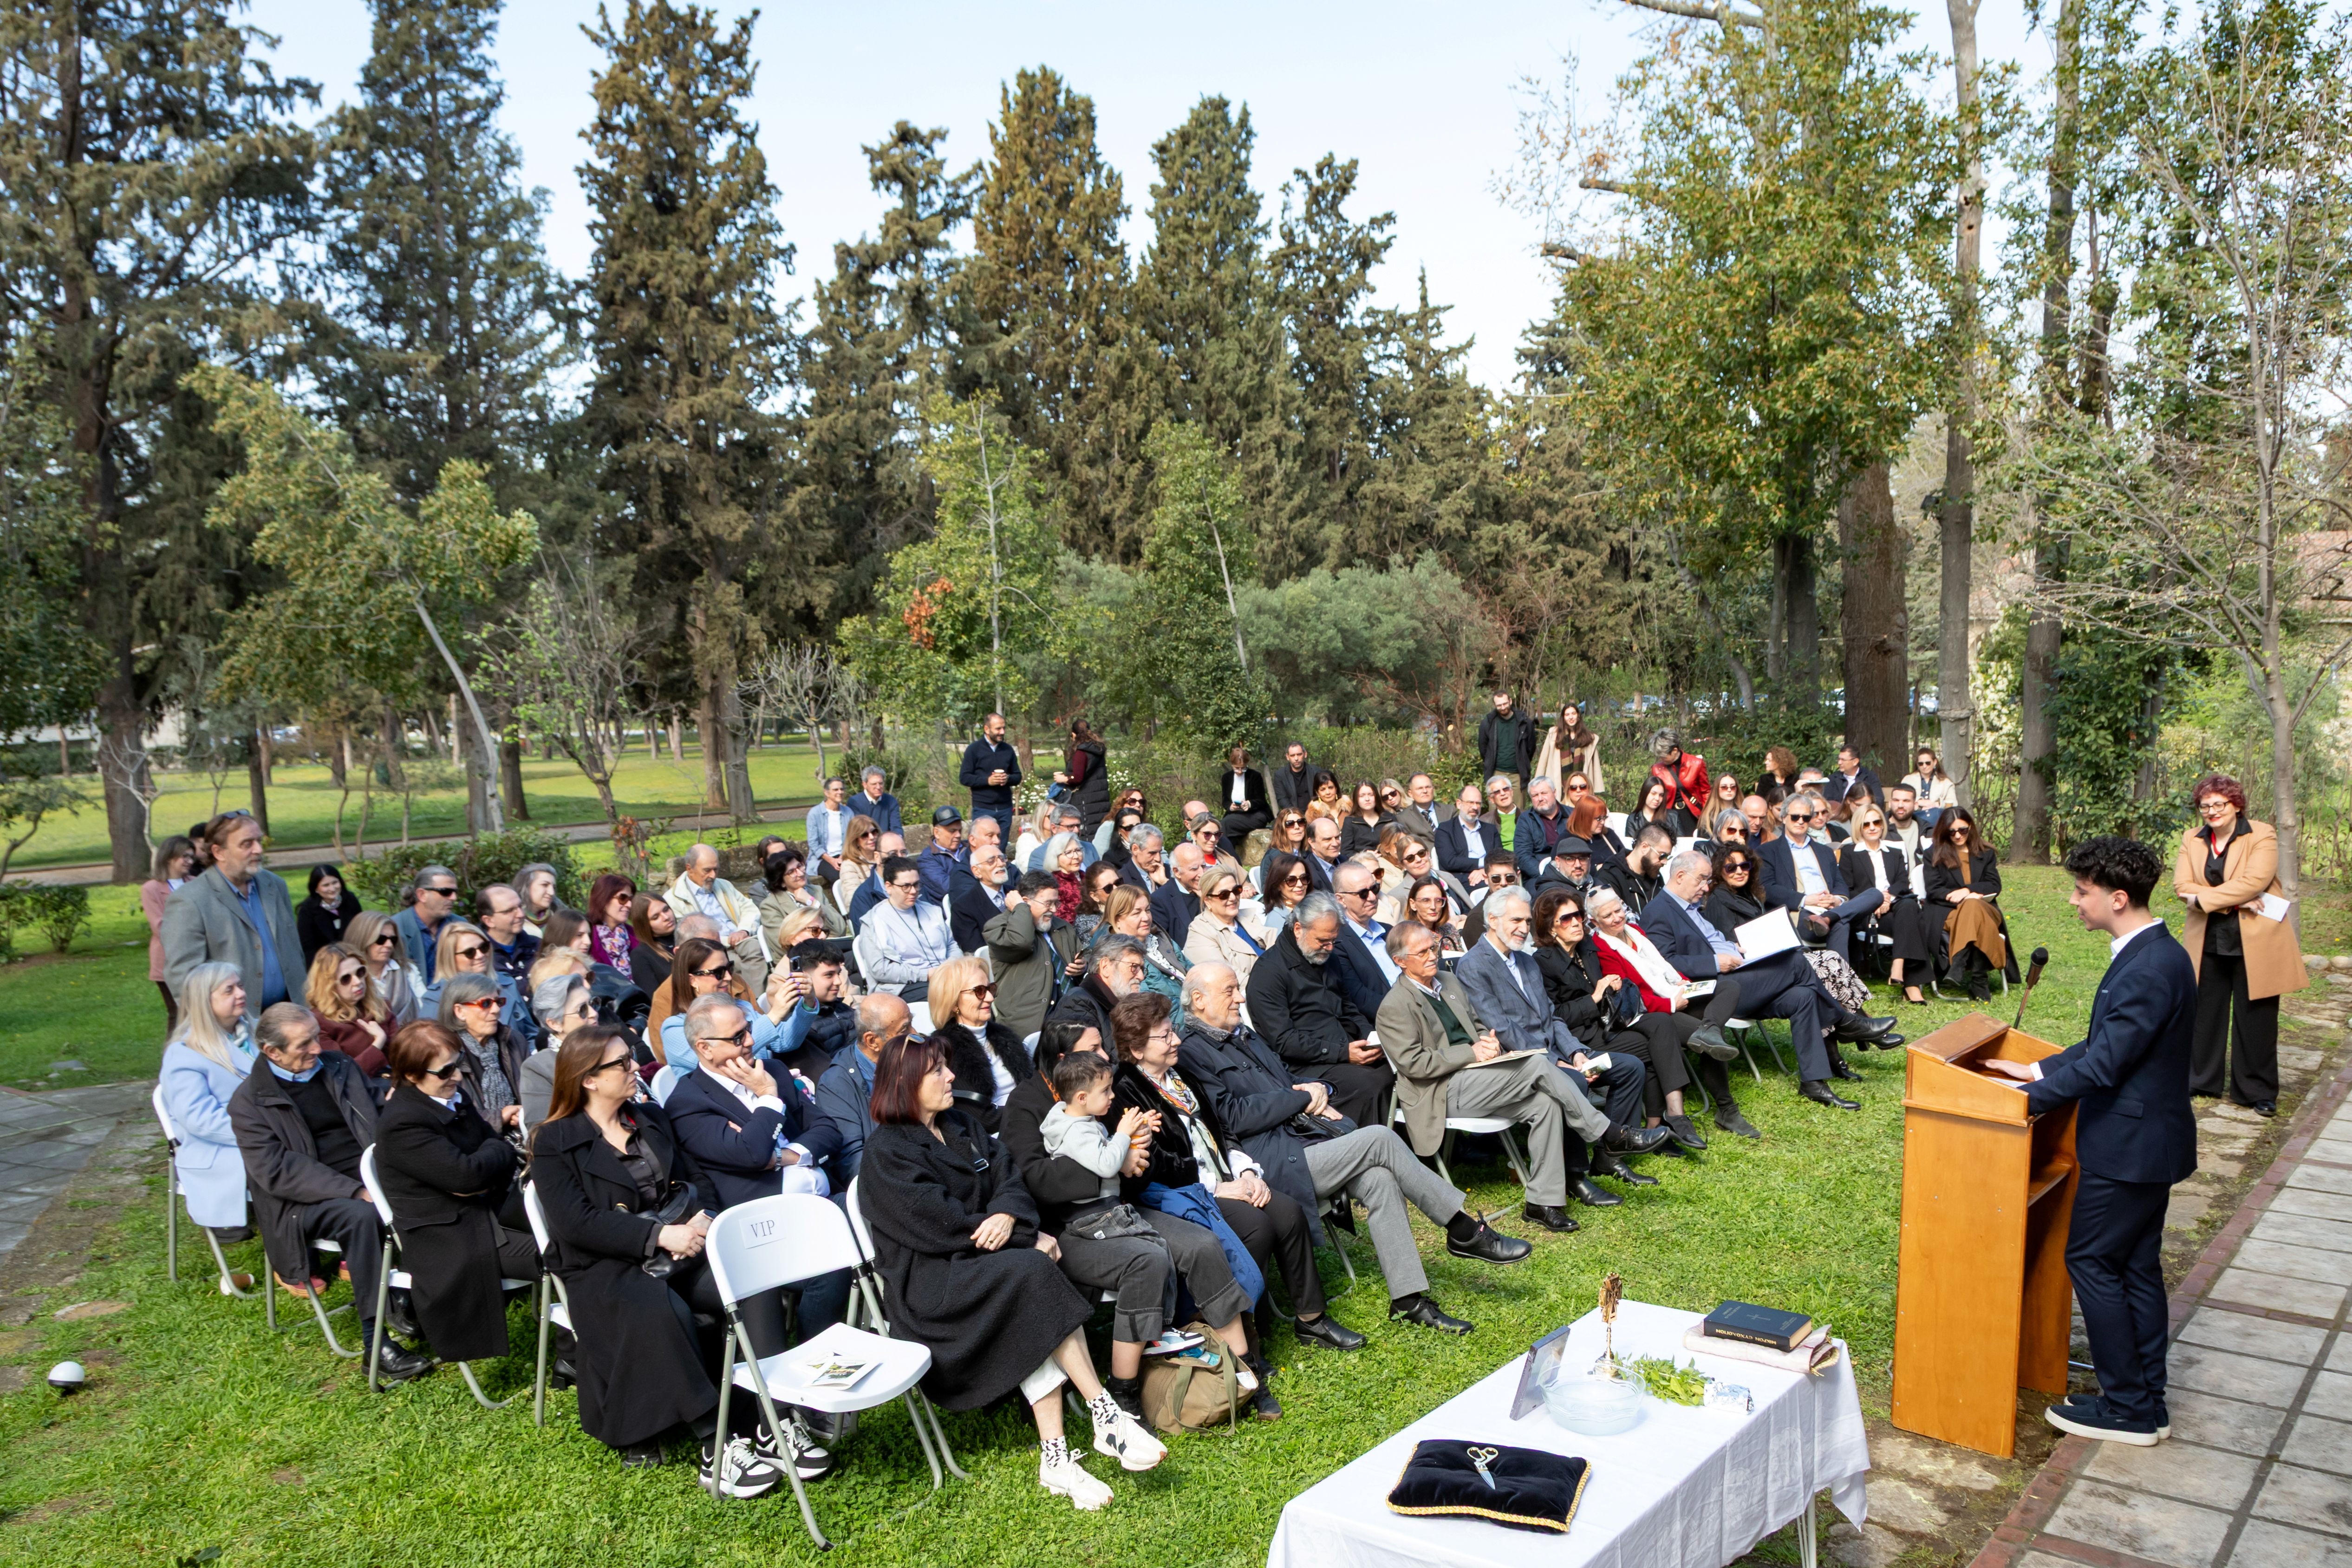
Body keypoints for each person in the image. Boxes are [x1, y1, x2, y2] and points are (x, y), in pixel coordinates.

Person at [860, 1031, 1166, 1509]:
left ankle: (1058, 1457)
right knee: (1031, 1272)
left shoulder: (960, 1123)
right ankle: (1103, 1411)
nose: (951, 1075)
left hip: (987, 1263)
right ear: (904, 1082)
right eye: (937, 1070)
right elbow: (937, 1224)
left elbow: (1011, 1178)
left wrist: (1010, 1218)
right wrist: (1021, 1232)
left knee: (1028, 1286)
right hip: (934, 1284)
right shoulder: (886, 1153)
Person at [529, 1027, 823, 1491]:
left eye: (630, 1058)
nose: (635, 1069)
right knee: (657, 1303)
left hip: (683, 1246)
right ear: (588, 1078)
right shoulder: (553, 1141)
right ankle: (716, 1442)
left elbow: (695, 1177)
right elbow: (575, 1223)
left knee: (750, 1282)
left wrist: (704, 1217)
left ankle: (772, 1416)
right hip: (605, 1266)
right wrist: (659, 1233)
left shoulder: (648, 1117)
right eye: (621, 1064)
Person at [1978, 838, 2196, 1445]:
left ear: (2117, 898)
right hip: (2146, 1141)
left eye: (2082, 891)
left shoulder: (2150, 966)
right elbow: (2105, 1045)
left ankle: (2127, 1406)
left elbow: (2106, 1067)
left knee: (2094, 1262)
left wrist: (2018, 1103)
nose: (2074, 901)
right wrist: (2035, 1072)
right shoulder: (2153, 953)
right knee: (2133, 1266)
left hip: (2130, 1148)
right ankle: (2147, 1398)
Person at [1183, 961, 1525, 1330]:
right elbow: (1231, 1117)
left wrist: (1321, 1089)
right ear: (1199, 1000)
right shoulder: (1192, 1053)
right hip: (1271, 1160)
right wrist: (1299, 1098)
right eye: (1230, 990)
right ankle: (1463, 1229)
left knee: (1379, 1177)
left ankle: (1408, 1300)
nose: (1240, 997)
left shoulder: (1242, 1035)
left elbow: (1289, 1078)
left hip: (1303, 1138)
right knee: (1379, 1138)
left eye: (1238, 988)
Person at [1009, 1035, 1266, 1418]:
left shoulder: (1100, 1095)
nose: (1107, 1056)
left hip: (1124, 1206)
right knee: (1146, 1259)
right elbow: (1036, 1178)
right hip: (1074, 1225)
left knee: (1201, 1244)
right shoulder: (1027, 1106)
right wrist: (1121, 1155)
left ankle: (1248, 1367)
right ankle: (1125, 1393)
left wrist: (1139, 1143)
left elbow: (1131, 1165)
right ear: (1068, 1058)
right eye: (1095, 1048)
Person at [1110, 993, 1355, 1353]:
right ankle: (1244, 1339)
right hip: (1179, 1194)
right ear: (1135, 1048)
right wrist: (1217, 1186)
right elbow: (1155, 1164)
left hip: (1227, 1177)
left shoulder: (1181, 1074)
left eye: (1172, 1032)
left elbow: (1223, 1128)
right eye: (1164, 1037)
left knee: (1287, 1212)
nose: (1176, 1040)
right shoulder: (1126, 1093)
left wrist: (1246, 1171)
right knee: (1254, 1226)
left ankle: (1312, 1319)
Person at [1383, 917, 1643, 1228]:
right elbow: (1413, 1063)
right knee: (1535, 1063)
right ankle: (1609, 1133)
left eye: (1434, 946)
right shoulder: (1394, 1005)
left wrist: (1487, 1042)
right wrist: (1470, 1052)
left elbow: (1476, 1025)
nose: (1432, 955)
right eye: (1422, 952)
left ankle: (1541, 1203)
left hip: (1480, 1077)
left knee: (1544, 1104)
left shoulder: (1447, 982)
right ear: (1400, 961)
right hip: (1441, 1090)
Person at [228, 1002, 429, 1384]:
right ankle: (377, 1345)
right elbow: (278, 1172)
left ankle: (416, 1299)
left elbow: (377, 1115)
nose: (317, 1050)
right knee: (362, 1216)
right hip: (301, 1203)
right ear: (272, 1052)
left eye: (316, 1038)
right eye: (303, 1045)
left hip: (370, 1176)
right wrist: (355, 1189)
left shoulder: (340, 1067)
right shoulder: (249, 1103)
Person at [1640, 850, 1898, 1110]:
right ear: (1681, 876)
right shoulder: (1658, 911)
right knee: (1797, 962)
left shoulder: (1692, 906)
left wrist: (1733, 947)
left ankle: (1814, 1082)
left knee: (1803, 996)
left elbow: (1708, 941)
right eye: (1702, 879)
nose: (1707, 887)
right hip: (1717, 992)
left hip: (1738, 973)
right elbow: (1666, 963)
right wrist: (1715, 962)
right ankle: (1845, 1022)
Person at [371, 1019, 543, 1372]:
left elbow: (492, 1152)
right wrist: (484, 1163)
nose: (458, 1076)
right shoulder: (403, 1122)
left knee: (569, 1227)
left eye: (458, 1063)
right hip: (452, 1235)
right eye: (446, 1070)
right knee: (558, 1251)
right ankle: (573, 1354)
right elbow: (468, 1175)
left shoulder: (452, 1097)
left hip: (489, 1209)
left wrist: (484, 1163)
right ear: (413, 1075)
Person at [1573, 887, 1756, 1139]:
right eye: (1608, 916)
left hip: (1673, 994)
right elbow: (1628, 996)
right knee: (1706, 1039)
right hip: (1652, 1011)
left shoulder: (1634, 931)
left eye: (1619, 910)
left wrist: (1683, 983)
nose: (1617, 918)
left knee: (1729, 987)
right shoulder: (1602, 949)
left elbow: (1662, 967)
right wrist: (1669, 1005)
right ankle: (1727, 1109)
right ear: (1594, 922)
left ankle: (1710, 1028)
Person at [2175, 775, 2303, 1117]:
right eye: (2205, 806)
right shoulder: (2192, 838)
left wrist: (2206, 898)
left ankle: (2256, 1090)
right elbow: (2181, 885)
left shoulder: (2260, 833)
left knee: (2256, 1017)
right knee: (2204, 1013)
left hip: (2256, 938)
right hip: (2208, 937)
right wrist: (2236, 901)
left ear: (2235, 805)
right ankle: (2200, 1080)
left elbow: (2255, 881)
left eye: (2219, 804)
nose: (2211, 811)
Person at [1245, 894, 1394, 1129]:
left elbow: (1348, 1008)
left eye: (1334, 940)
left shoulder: (1328, 958)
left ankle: (1410, 1144)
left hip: (1343, 1047)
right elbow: (1283, 1042)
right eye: (1323, 941)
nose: (1330, 948)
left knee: (1400, 1066)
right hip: (1303, 1064)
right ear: (1298, 929)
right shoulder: (1268, 974)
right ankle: (1368, 1150)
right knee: (1370, 1083)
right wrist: (1343, 1053)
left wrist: (1371, 1039)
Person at [162, 811, 302, 1015]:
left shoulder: (275, 886)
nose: (259, 850)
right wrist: (215, 1031)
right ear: (219, 852)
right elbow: (184, 978)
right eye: (247, 844)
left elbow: (294, 951)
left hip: (290, 1018)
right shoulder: (190, 900)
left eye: (259, 841)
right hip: (233, 1027)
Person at [160, 962, 258, 1249]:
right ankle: (293, 1244)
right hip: (218, 1145)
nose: (240, 993)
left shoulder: (251, 1035)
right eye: (229, 990)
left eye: (240, 986)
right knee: (288, 1162)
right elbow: (201, 1121)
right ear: (205, 1002)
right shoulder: (184, 1055)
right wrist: (263, 1132)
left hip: (258, 1132)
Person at [1757, 790, 1884, 963]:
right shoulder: (1768, 851)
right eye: (1795, 817)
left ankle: (1828, 919)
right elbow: (1767, 889)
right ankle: (1841, 985)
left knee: (1876, 894)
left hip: (1831, 909)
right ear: (1784, 818)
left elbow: (1840, 884)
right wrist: (1806, 900)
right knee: (1841, 924)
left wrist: (1837, 900)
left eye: (1806, 817)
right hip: (1800, 913)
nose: (1801, 821)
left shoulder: (1824, 852)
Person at [654, 937, 812, 1072]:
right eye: (719, 973)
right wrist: (774, 1016)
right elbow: (718, 1063)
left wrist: (808, 1004)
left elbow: (785, 1042)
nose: (729, 978)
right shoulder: (674, 1029)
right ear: (692, 980)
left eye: (730, 968)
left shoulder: (742, 1008)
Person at [927, 953, 1037, 1135]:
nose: (990, 998)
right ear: (954, 1001)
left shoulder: (1003, 1035)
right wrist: (1034, 1112)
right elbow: (981, 1119)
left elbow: (1034, 1086)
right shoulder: (947, 1050)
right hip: (999, 1137)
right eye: (979, 991)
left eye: (990, 988)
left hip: (1029, 1120)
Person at [1841, 806, 1935, 1003]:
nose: (1873, 828)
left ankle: (1898, 964)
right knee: (1914, 921)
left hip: (1894, 908)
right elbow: (1848, 889)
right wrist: (1874, 900)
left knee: (1909, 907)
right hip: (1866, 913)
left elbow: (1902, 882)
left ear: (1883, 825)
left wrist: (1888, 897)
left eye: (1877, 822)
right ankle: (1911, 985)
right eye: (1867, 824)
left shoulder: (1894, 852)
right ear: (1859, 827)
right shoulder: (1849, 852)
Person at [1925, 808, 2017, 1001]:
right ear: (1944, 831)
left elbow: (1994, 885)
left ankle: (1958, 963)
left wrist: (1968, 891)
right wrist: (1957, 897)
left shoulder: (1986, 853)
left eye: (1963, 830)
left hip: (1985, 907)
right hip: (1949, 911)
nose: (1958, 835)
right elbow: (1934, 889)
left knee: (1974, 906)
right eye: (1952, 832)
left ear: (1971, 828)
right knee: (1972, 909)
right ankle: (1979, 981)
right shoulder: (1933, 854)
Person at [815, 994, 902, 1190]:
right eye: (904, 1029)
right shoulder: (836, 1085)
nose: (915, 1034)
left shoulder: (914, 1057)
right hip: (891, 1187)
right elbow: (852, 1163)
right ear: (872, 1042)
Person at [987, 871, 1083, 1041]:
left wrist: (1083, 966)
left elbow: (1082, 954)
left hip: (1072, 1011)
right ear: (1025, 902)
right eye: (1048, 904)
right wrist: (1021, 910)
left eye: (1056, 903)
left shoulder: (1062, 927)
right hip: (1030, 1019)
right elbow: (1021, 942)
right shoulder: (997, 927)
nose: (1054, 910)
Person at [665, 845, 769, 992]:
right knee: (738, 963)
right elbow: (691, 937)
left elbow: (750, 909)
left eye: (716, 869)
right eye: (707, 871)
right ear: (689, 869)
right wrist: (726, 940)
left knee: (755, 948)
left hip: (741, 939)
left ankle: (757, 1001)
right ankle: (756, 1001)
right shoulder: (674, 899)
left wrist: (744, 930)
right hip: (712, 949)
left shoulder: (724, 885)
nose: (713, 875)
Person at [861, 854, 956, 1002]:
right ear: (889, 887)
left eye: (917, 884)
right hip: (904, 986)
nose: (913, 891)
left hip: (946, 975)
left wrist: (953, 966)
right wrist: (926, 974)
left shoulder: (932, 911)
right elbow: (880, 969)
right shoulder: (874, 921)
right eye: (906, 886)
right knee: (950, 995)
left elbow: (951, 945)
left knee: (978, 985)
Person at [305, 943, 391, 1076]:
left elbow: (402, 1055)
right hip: (358, 1092)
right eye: (346, 978)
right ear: (329, 986)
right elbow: (345, 1076)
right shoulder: (318, 1022)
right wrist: (379, 1042)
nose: (357, 981)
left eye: (360, 972)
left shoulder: (381, 1005)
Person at [143, 835, 198, 1032]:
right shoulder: (152, 889)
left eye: (192, 857)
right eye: (184, 856)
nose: (190, 862)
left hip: (197, 958)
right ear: (169, 857)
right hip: (167, 961)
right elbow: (159, 926)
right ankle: (172, 1060)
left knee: (199, 1013)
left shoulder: (196, 883)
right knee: (177, 1014)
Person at [1184, 865, 1268, 982]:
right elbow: (1225, 978)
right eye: (1224, 895)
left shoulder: (1248, 917)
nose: (1233, 898)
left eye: (1236, 890)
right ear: (1208, 901)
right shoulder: (1200, 932)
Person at [391, 864, 461, 987]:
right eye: (446, 892)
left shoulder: (459, 925)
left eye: (455, 892)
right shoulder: (394, 929)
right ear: (422, 895)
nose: (454, 898)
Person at [960, 712, 1024, 843]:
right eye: (998, 729)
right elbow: (964, 778)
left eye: (1004, 728)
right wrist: (987, 781)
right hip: (983, 808)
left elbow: (1017, 776)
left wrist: (1008, 779)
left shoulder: (1008, 750)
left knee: (1001, 847)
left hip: (1005, 808)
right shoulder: (974, 750)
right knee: (982, 848)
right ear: (987, 729)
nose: (1002, 732)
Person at [476, 881, 542, 989]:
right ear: (489, 921)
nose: (521, 914)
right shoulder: (475, 955)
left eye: (520, 907)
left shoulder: (539, 946)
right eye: (510, 911)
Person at [947, 841, 1009, 956]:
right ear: (977, 871)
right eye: (991, 861)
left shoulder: (1016, 892)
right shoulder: (963, 907)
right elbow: (976, 951)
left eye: (1002, 858)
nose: (1000, 864)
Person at [1597, 822, 1674, 914]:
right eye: (1662, 856)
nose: (1665, 862)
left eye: (1668, 857)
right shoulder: (1609, 876)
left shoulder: (1655, 875)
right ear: (1645, 847)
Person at [1052, 717, 1112, 834]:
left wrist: (1064, 778)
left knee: (1088, 834)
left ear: (1074, 735)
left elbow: (1078, 778)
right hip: (1100, 798)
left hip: (1087, 800)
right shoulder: (1097, 749)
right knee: (1100, 831)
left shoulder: (1081, 752)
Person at [295, 864, 363, 968]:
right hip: (324, 965)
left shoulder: (351, 900)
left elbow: (361, 933)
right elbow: (308, 948)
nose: (332, 889)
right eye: (326, 885)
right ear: (316, 889)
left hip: (352, 960)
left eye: (335, 883)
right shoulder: (307, 910)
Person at [1534, 700, 1602, 799]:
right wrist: (1538, 781)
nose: (1571, 717)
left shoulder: (1589, 738)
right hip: (1560, 785)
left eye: (1574, 714)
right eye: (1567, 715)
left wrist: (1597, 788)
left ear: (1578, 716)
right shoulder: (1554, 735)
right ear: (1564, 718)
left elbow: (1595, 766)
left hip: (1581, 786)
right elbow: (1543, 760)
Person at [1513, 776, 1576, 881]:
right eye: (1535, 795)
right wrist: (1546, 874)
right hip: (1540, 875)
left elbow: (1585, 844)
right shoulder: (1526, 820)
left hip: (1573, 869)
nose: (1540, 798)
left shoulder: (1573, 815)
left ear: (1555, 793)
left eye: (1544, 793)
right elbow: (1523, 856)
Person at [1434, 783, 1494, 889]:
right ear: (1459, 804)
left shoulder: (1490, 830)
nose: (1475, 807)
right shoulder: (1446, 829)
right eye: (1471, 803)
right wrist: (1483, 863)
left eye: (1478, 803)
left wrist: (1484, 871)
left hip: (1489, 875)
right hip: (1461, 879)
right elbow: (1450, 862)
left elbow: (1498, 856)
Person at [1479, 690, 1539, 786]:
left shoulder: (1524, 722)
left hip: (1518, 775)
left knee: (1518, 802)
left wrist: (1523, 761)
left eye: (1505, 704)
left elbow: (1531, 748)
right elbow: (1483, 750)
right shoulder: (1488, 723)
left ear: (1510, 701)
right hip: (1496, 774)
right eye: (1499, 705)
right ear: (1495, 705)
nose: (1503, 708)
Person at [1152, 842, 1206, 948]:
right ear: (1177, 872)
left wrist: (1208, 899)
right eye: (1194, 869)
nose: (1202, 874)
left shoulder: (1212, 891)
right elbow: (1163, 945)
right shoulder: (1160, 900)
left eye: (1204, 866)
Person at [1217, 745, 1273, 847]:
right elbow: (1225, 801)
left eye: (1243, 769)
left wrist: (1250, 804)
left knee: (1226, 824)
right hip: (1236, 815)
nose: (1239, 771)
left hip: (1256, 815)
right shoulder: (1227, 778)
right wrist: (1231, 807)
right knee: (1226, 829)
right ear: (1232, 765)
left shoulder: (1255, 776)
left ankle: (1225, 854)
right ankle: (1232, 856)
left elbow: (1261, 800)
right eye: (1237, 768)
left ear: (1247, 765)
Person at [585, 873, 638, 973]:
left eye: (631, 899)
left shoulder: (635, 935)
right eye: (623, 899)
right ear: (604, 899)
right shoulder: (585, 935)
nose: (629, 905)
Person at [1256, 849, 1314, 937]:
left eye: (1304, 878)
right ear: (1278, 885)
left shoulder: (1312, 907)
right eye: (1291, 880)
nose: (1300, 884)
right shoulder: (1277, 921)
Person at [914, 806, 965, 904]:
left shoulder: (970, 847)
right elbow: (948, 888)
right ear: (937, 833)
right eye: (952, 831)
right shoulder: (927, 859)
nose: (958, 835)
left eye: (960, 831)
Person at [1625, 775, 1694, 841]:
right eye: (1653, 794)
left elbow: (1681, 844)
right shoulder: (1633, 819)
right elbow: (1631, 847)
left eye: (1661, 795)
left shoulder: (1674, 817)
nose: (1657, 799)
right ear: (1645, 793)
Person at [1073, 860, 1122, 947]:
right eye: (1108, 888)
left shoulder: (1133, 904)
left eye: (1118, 883)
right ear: (1094, 896)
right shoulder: (1087, 922)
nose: (1116, 889)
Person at [1902, 748, 1958, 821]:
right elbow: (1901, 798)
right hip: (1913, 817)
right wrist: (1919, 802)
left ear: (1935, 762)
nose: (1924, 766)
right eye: (1921, 764)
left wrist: (1937, 804)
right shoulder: (1908, 780)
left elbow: (1953, 804)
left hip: (1937, 818)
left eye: (1928, 763)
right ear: (1917, 765)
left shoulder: (1946, 782)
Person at [1339, 781, 1389, 857]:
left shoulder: (1389, 818)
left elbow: (1398, 846)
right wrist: (1364, 856)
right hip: (1361, 865)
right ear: (1356, 799)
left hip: (1388, 864)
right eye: (1362, 796)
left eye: (1371, 795)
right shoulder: (1350, 822)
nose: (1367, 799)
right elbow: (1346, 852)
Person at [1825, 744, 1883, 809]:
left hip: (1863, 815)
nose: (1839, 763)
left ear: (1855, 762)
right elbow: (1827, 802)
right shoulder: (1834, 779)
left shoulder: (1869, 777)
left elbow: (1879, 800)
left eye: (1843, 760)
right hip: (1840, 816)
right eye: (1839, 759)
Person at [1117, 821, 1168, 889]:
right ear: (1135, 849)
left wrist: (1165, 883)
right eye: (1152, 853)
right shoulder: (1123, 880)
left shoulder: (1168, 871)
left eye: (1160, 852)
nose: (1158, 859)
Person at [1270, 742, 1315, 815]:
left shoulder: (1316, 772)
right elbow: (1282, 799)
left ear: (1305, 754)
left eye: (1299, 754)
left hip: (1315, 814)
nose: (1296, 758)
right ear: (1288, 757)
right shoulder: (1280, 775)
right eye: (1293, 756)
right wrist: (1296, 815)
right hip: (1291, 813)